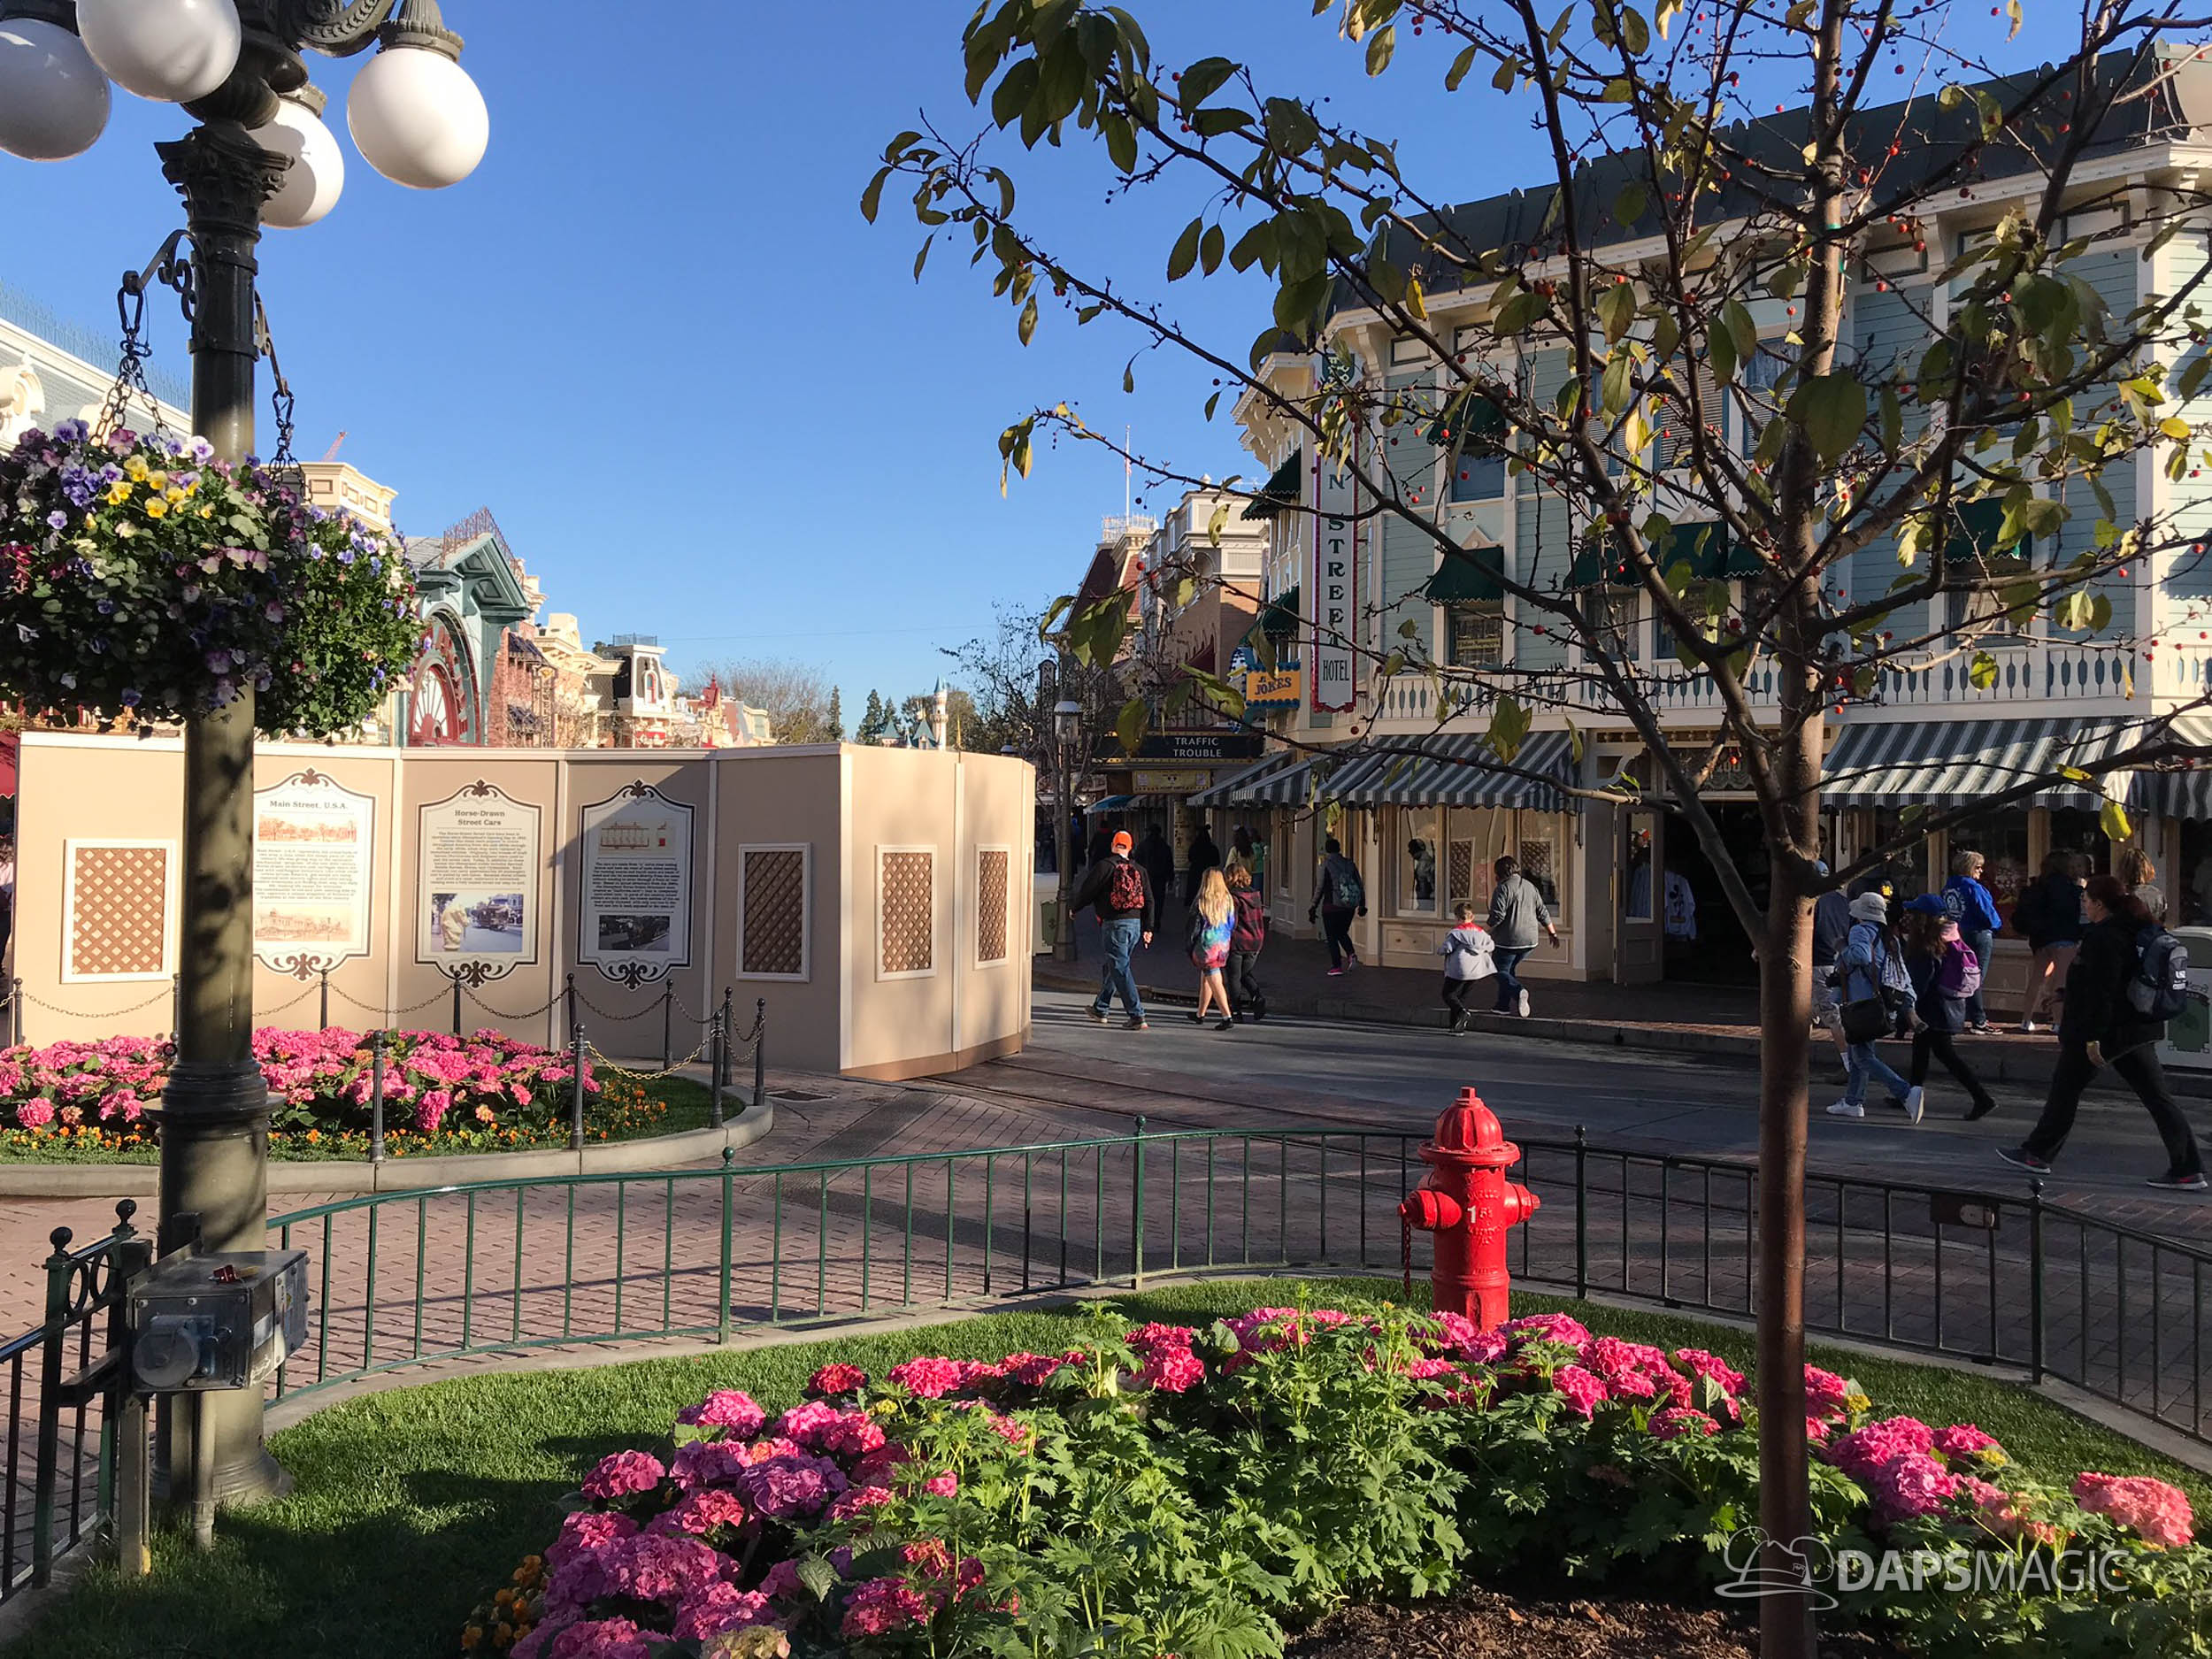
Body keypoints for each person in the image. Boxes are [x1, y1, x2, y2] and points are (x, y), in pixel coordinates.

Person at [2001, 875, 2208, 1191]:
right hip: (2135, 1030)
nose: (2083, 905)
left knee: (2065, 1091)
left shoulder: (2106, 936)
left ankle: (2036, 1153)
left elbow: (2103, 990)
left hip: (2104, 1032)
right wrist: (2065, 994)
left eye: (2086, 900)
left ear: (2099, 904)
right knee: (2156, 1098)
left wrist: (2094, 1038)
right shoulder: (2133, 929)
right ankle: (2188, 1168)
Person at [1825, 890, 1923, 1123]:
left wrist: (1841, 948)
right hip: (1876, 1004)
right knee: (1860, 1052)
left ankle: (1905, 1092)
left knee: (1862, 1057)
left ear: (1860, 913)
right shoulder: (1887, 936)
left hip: (1861, 1003)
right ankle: (1853, 1101)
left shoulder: (1859, 931)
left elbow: (1861, 956)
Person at [1900, 895, 1999, 1121]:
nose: (1908, 918)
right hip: (1950, 1006)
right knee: (1923, 1051)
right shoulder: (1950, 939)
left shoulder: (1925, 946)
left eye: (1913, 914)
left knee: (1944, 1055)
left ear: (1921, 918)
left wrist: (1907, 1007)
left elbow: (1920, 982)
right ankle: (1908, 1094)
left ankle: (1982, 1098)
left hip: (1933, 1009)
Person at [1073, 828, 1155, 1030]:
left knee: (1120, 967)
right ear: (1130, 848)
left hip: (1114, 923)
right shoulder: (1140, 870)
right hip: (1135, 925)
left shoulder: (1105, 866)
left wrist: (1075, 908)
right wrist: (1148, 927)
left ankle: (1137, 1015)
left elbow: (1088, 890)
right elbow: (1150, 900)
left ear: (1112, 846)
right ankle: (1100, 1008)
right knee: (1115, 965)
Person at [2016, 852, 2086, 1032]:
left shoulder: (2038, 884)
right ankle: (2058, 1021)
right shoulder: (2067, 886)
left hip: (2041, 938)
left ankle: (2026, 1019)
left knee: (2037, 979)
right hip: (2064, 937)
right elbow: (2071, 910)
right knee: (2061, 981)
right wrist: (2080, 890)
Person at [1486, 855, 1559, 1018]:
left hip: (1508, 940)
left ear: (1499, 873)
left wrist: (1481, 932)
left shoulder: (1503, 888)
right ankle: (1502, 1006)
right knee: (1508, 970)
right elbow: (1542, 912)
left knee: (1496, 969)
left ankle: (1518, 991)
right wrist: (1552, 933)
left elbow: (1497, 916)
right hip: (1530, 941)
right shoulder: (1530, 886)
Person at [1942, 849, 2004, 1034]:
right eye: (1978, 867)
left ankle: (1958, 1016)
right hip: (1978, 934)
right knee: (1974, 977)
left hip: (1957, 934)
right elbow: (1988, 914)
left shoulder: (1948, 887)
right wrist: (1997, 926)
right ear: (1969, 867)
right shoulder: (1973, 888)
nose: (1981, 871)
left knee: (1960, 975)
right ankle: (1978, 1020)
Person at [1184, 867, 1236, 1031]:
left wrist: (1190, 945)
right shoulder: (1228, 899)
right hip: (1223, 943)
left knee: (1214, 979)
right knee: (1206, 977)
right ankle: (1200, 1014)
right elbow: (1232, 922)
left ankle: (1226, 1016)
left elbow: (1194, 926)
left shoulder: (1202, 900)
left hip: (1206, 945)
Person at [1810, 866, 1852, 1056]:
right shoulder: (1844, 902)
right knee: (1806, 1014)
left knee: (1833, 1017)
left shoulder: (1813, 902)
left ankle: (1849, 1065)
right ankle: (1798, 1064)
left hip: (1817, 963)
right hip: (1838, 963)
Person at [1310, 835, 1366, 974]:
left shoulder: (1326, 865)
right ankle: (1351, 954)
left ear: (1328, 850)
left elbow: (1320, 887)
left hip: (1331, 906)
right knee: (1341, 932)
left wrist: (1313, 906)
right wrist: (1362, 904)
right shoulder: (1350, 864)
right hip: (1349, 906)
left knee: (1332, 936)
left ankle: (1336, 966)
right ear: (1339, 849)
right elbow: (1359, 885)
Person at [1438, 902, 1495, 1033]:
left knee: (1448, 994)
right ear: (1472, 917)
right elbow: (1491, 946)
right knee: (1461, 997)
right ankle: (1456, 1026)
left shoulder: (1456, 933)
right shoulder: (1481, 933)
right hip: (1476, 970)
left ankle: (1461, 1013)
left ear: (1457, 918)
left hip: (1459, 969)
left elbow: (1447, 948)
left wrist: (1440, 950)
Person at [1226, 864, 1268, 1022]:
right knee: (1244, 974)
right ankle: (1257, 996)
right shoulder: (1256, 895)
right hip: (1256, 940)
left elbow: (1232, 921)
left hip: (1238, 940)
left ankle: (1236, 1011)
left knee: (1234, 977)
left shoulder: (1233, 897)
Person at [1134, 826, 1176, 917]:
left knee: (1146, 899)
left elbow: (1137, 861)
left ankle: (1147, 921)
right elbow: (1169, 864)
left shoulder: (1143, 845)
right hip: (1160, 878)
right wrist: (1170, 879)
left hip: (1147, 877)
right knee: (1159, 901)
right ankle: (1156, 921)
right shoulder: (1164, 846)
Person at [1183, 825, 1223, 908]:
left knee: (1194, 892)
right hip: (1209, 873)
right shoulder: (1212, 848)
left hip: (1195, 873)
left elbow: (1190, 858)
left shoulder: (1194, 847)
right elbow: (1217, 861)